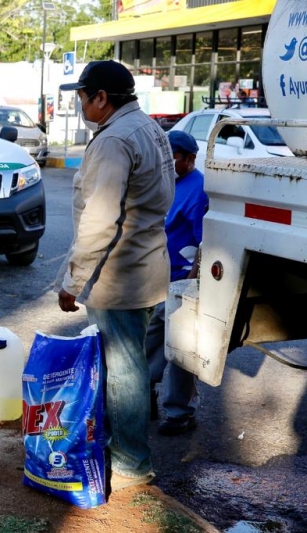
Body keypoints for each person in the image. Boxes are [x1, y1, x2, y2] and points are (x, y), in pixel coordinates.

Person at [56, 60, 176, 491]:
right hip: (146, 268)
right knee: (131, 365)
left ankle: (130, 464)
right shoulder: (148, 128)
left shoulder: (114, 141)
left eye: (83, 96)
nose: (80, 104)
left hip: (118, 275)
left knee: (124, 372)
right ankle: (125, 452)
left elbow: (99, 221)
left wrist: (72, 282)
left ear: (101, 98)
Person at [146, 131, 208, 436]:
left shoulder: (198, 190)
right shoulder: (166, 184)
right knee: (150, 343)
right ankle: (145, 397)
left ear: (190, 159)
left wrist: (191, 279)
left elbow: (204, 242)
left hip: (182, 282)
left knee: (181, 350)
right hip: (157, 281)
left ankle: (180, 412)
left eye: (173, 157)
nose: (166, 162)